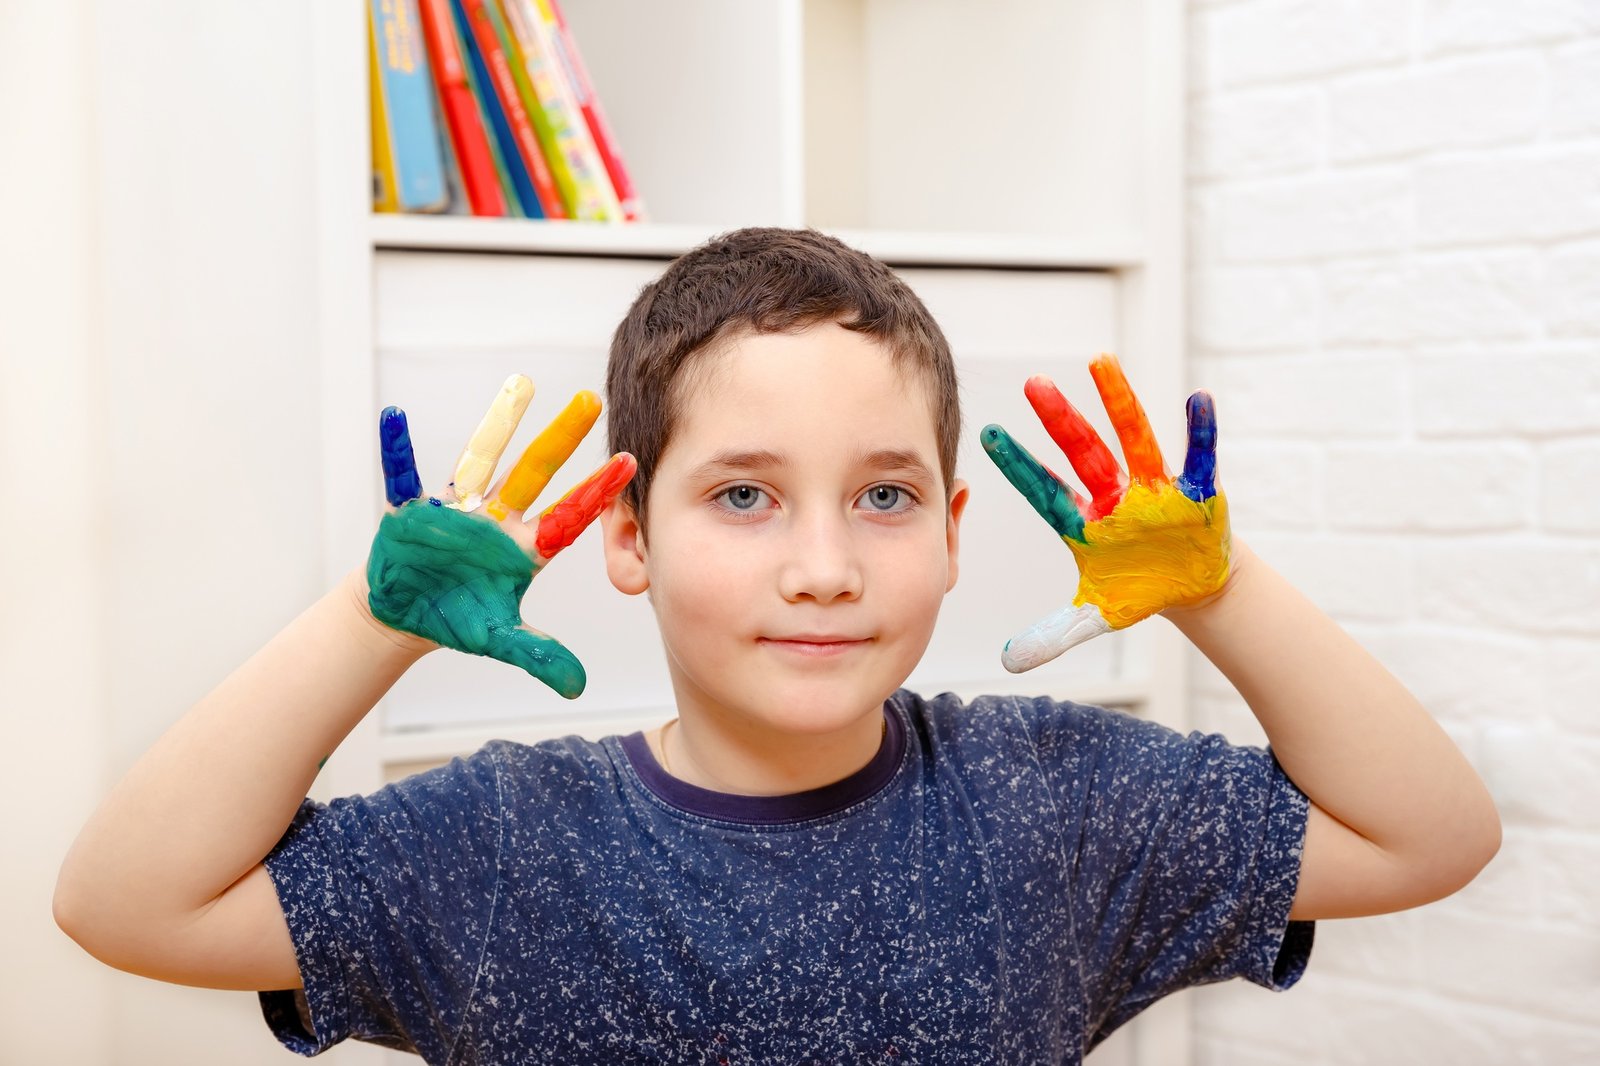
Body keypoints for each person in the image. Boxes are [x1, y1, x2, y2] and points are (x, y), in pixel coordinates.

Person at [53, 227, 1501, 1063]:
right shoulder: (498, 846)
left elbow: (1430, 834)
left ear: (951, 531)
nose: (822, 566)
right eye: (743, 495)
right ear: (627, 534)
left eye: (884, 495)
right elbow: (127, 902)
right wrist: (366, 623)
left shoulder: (1056, 802)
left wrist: (1218, 586)